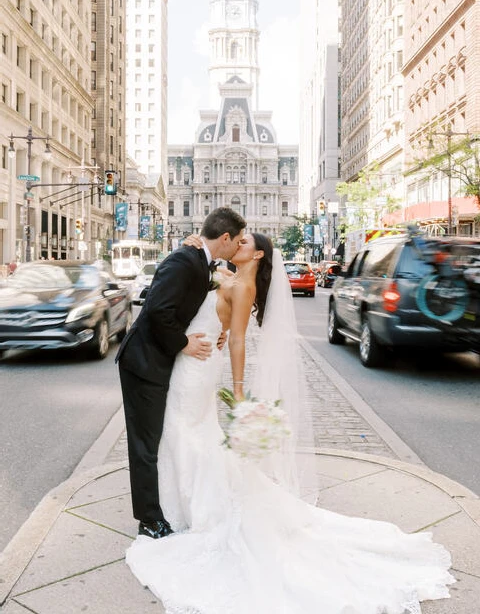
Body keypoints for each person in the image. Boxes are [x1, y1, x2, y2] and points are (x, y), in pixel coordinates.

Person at [125, 233, 454, 614]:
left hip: (198, 369)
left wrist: (238, 389)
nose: (238, 244)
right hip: (192, 362)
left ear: (259, 253)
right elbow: (203, 290)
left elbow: (236, 340)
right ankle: (179, 504)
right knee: (187, 435)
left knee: (188, 433)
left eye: (245, 242)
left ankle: (190, 509)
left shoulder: (243, 284)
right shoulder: (221, 271)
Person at [116, 207, 246, 540]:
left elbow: (196, 305)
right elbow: (158, 310)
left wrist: (218, 327)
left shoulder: (200, 261)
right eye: (238, 240)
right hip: (144, 362)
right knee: (145, 445)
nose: (239, 247)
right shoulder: (182, 261)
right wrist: (184, 342)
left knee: (157, 439)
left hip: (161, 362)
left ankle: (163, 505)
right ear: (226, 238)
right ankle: (149, 519)